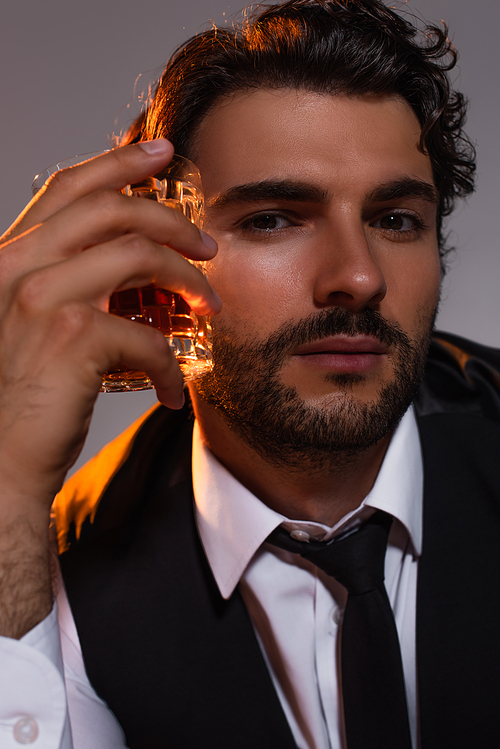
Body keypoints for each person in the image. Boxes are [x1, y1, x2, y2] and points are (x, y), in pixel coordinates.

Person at [1, 0, 499, 747]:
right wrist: (5, 489)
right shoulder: (56, 571)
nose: (358, 277)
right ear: (155, 250)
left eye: (395, 219)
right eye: (273, 217)